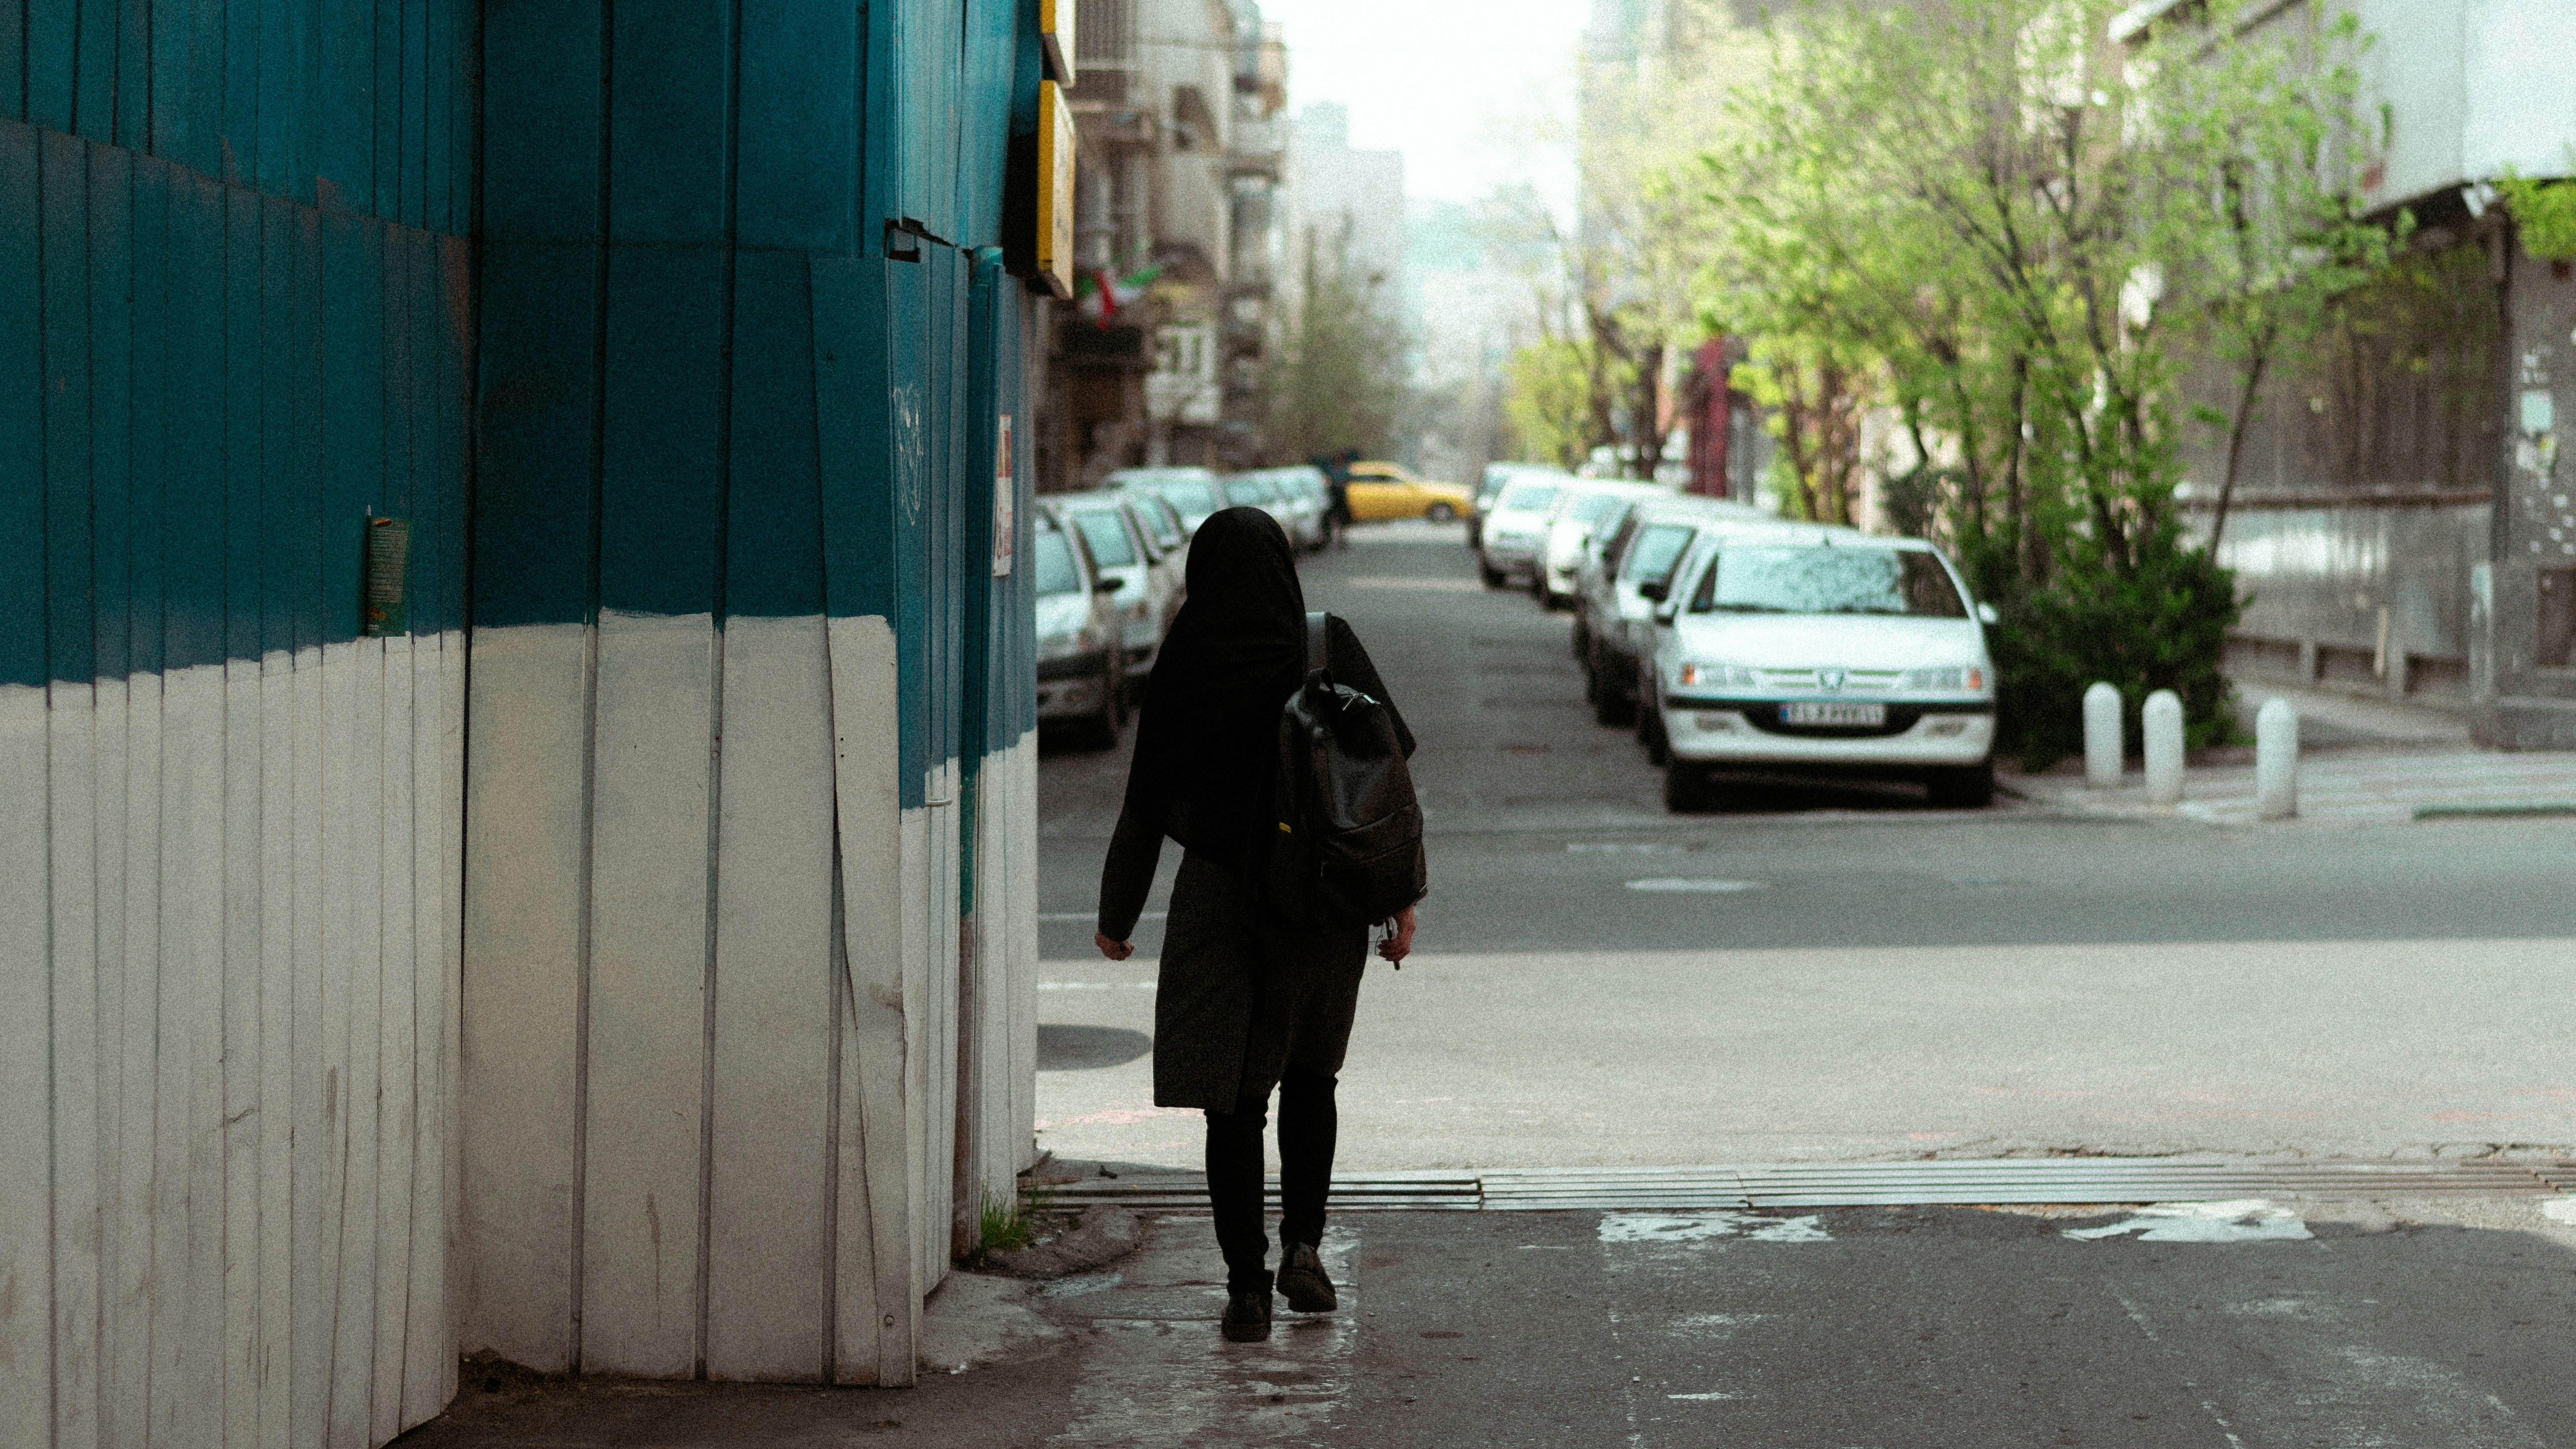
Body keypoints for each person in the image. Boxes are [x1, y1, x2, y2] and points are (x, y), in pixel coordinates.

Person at [1094, 507, 1419, 1344]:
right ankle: (1304, 1244)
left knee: (1232, 1103)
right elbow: (1379, 782)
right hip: (1321, 901)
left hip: (1220, 899)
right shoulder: (1322, 644)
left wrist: (1116, 915)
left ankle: (1246, 1286)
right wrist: (1401, 897)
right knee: (1313, 1079)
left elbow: (1143, 798)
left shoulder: (1186, 657)